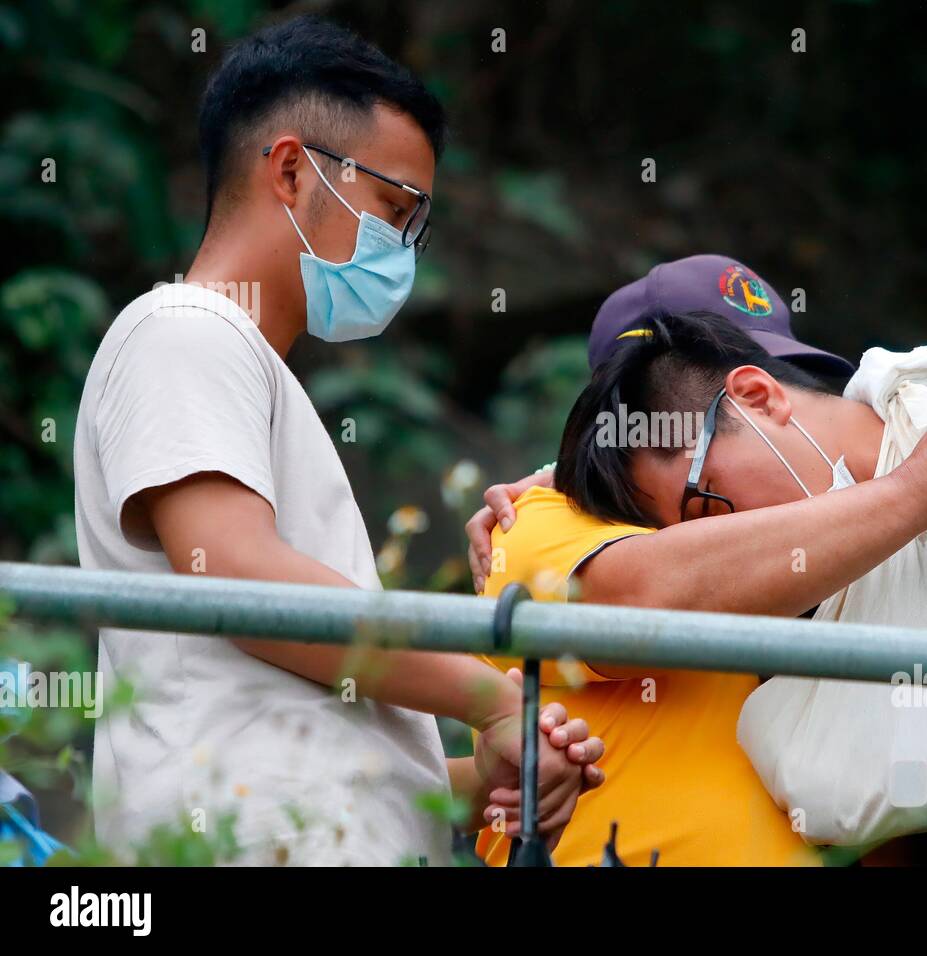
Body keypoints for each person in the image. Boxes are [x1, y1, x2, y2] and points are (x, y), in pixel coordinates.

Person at [466, 255, 927, 865]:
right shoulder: (542, 521)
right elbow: (642, 597)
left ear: (766, 391)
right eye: (698, 518)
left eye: (792, 378)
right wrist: (921, 488)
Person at [72, 16, 601, 867]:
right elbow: (241, 584)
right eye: (394, 210)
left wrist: (484, 778)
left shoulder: (253, 373)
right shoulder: (183, 330)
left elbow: (326, 738)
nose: (402, 251)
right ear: (290, 169)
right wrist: (491, 695)